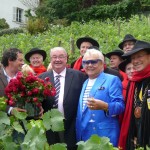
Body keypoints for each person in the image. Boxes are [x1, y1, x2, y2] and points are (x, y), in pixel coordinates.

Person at [39, 47, 86, 150]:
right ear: (50, 60)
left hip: (71, 125)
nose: (57, 60)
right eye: (54, 57)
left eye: (61, 57)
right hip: (50, 127)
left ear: (66, 59)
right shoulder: (41, 78)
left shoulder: (79, 76)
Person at [76, 48, 125, 147]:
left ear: (102, 64)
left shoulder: (112, 79)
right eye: (86, 62)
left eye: (93, 62)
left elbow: (120, 106)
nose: (89, 65)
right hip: (85, 135)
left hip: (103, 135)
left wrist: (105, 106)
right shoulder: (85, 82)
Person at [118, 40, 150, 150]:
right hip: (136, 136)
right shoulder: (134, 82)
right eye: (133, 58)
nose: (135, 61)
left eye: (139, 56)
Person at [0, 48, 26, 114]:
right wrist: (10, 110)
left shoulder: (25, 77)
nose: (23, 63)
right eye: (20, 60)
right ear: (10, 60)